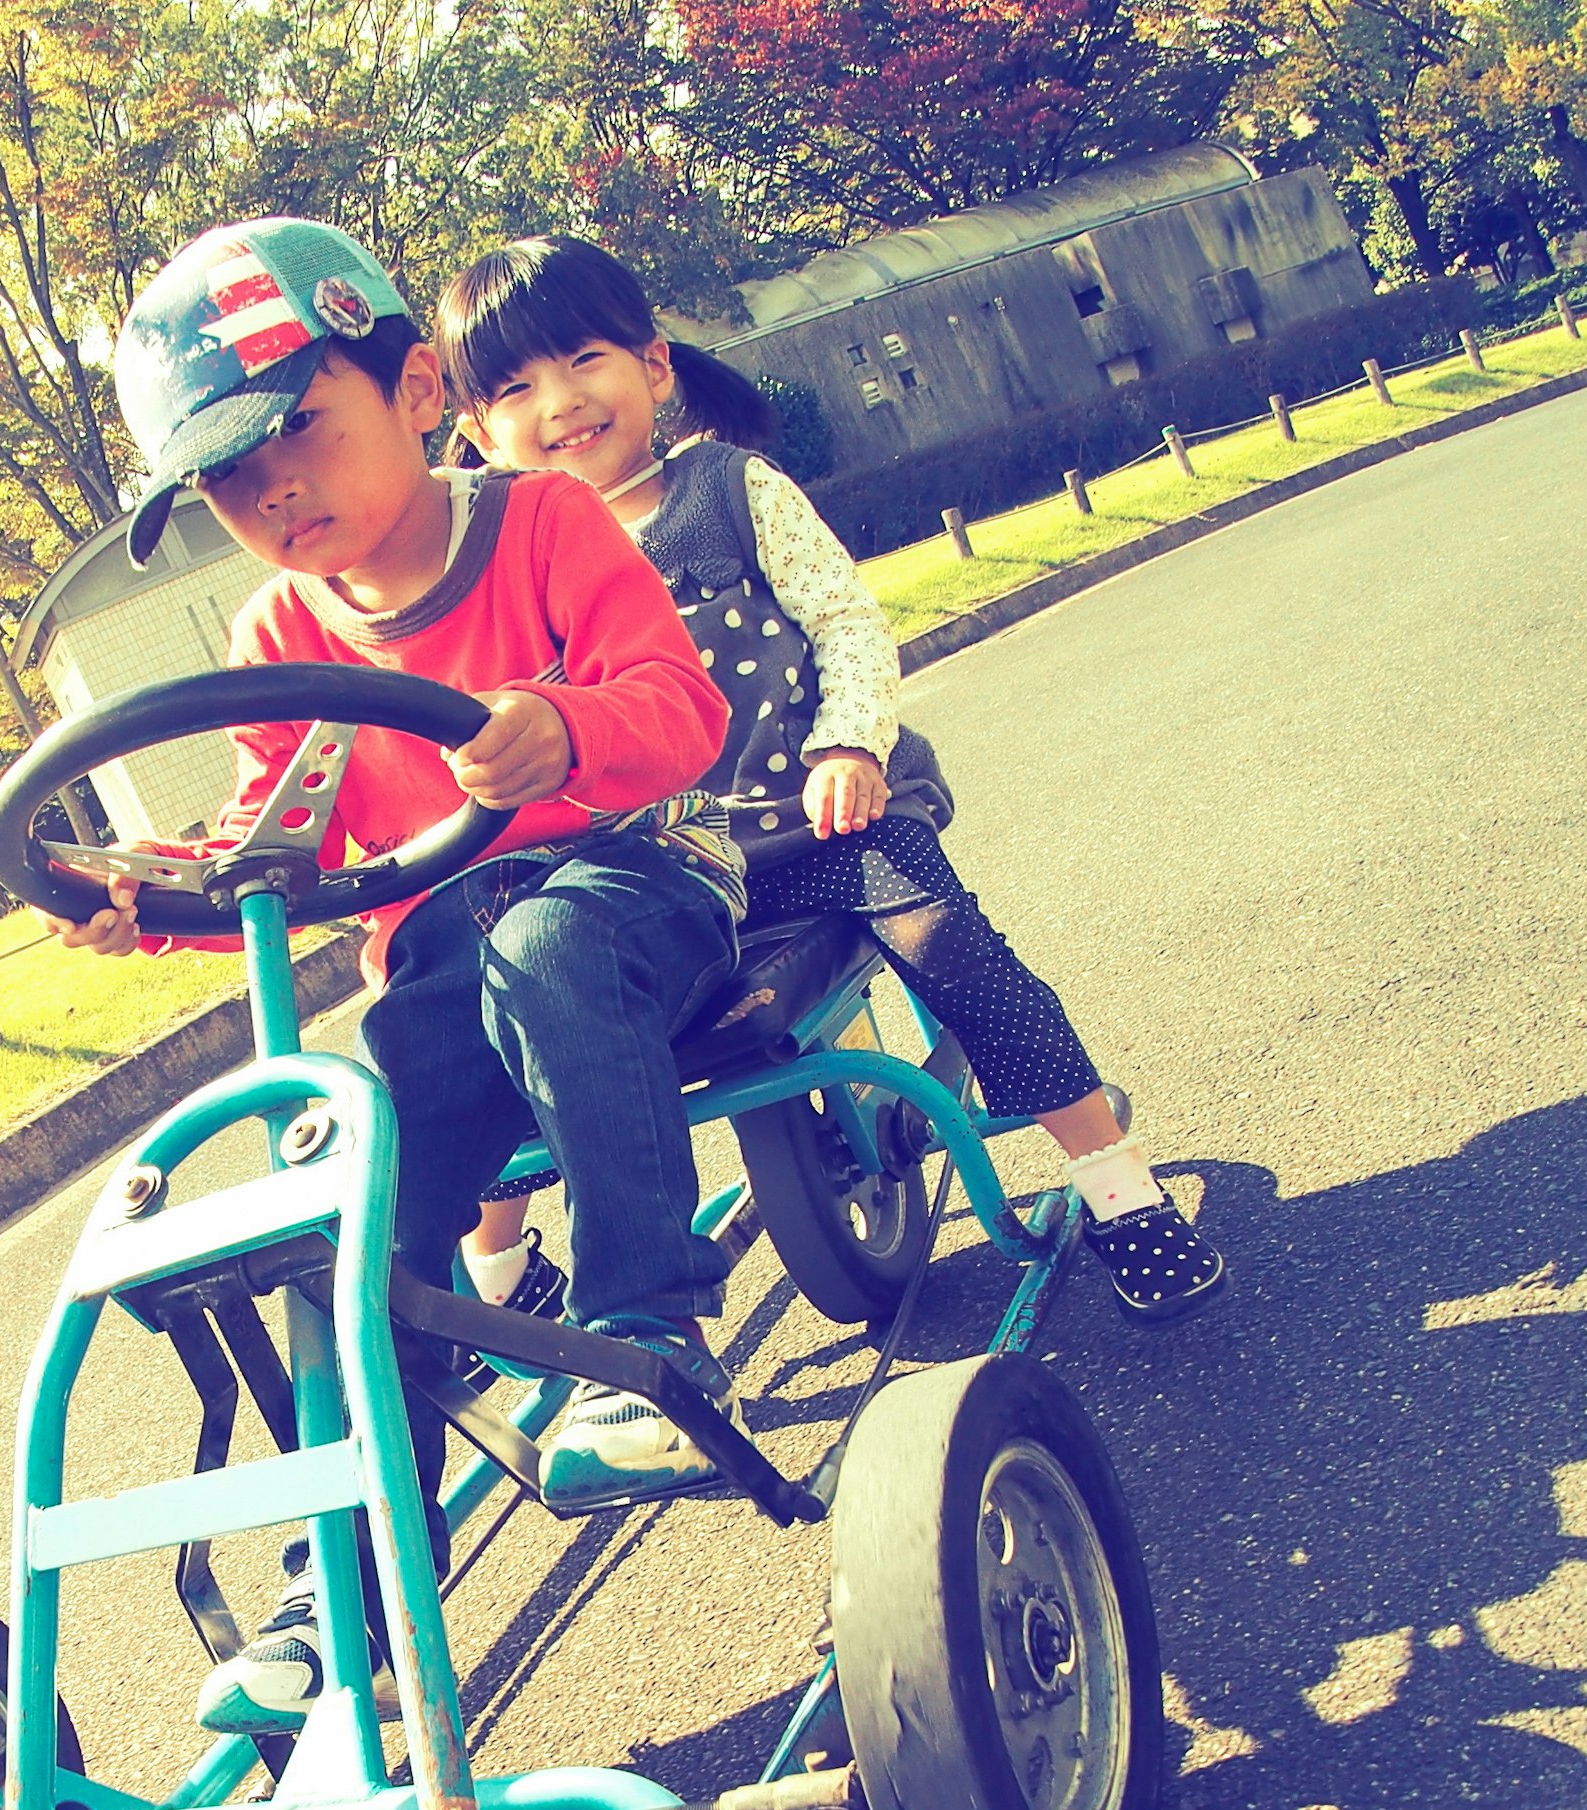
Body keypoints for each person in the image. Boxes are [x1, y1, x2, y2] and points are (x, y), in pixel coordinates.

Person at [46, 217, 747, 1731]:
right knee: (352, 1181)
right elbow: (264, 847)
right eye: (228, 476)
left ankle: (650, 1342)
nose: (272, 487)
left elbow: (679, 707)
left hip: (637, 878)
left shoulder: (548, 525)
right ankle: (346, 1576)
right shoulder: (276, 630)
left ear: (419, 389)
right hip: (443, 957)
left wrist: (565, 726)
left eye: (297, 427)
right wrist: (143, 893)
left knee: (550, 940)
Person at [436, 236, 1228, 1324]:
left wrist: (847, 745)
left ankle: (1118, 1187)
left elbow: (845, 622)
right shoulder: (511, 561)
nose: (562, 402)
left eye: (584, 361)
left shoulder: (725, 488)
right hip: (657, 879)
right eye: (518, 388)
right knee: (514, 1016)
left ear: (654, 367)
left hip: (820, 831)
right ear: (476, 436)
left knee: (950, 945)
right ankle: (498, 1273)